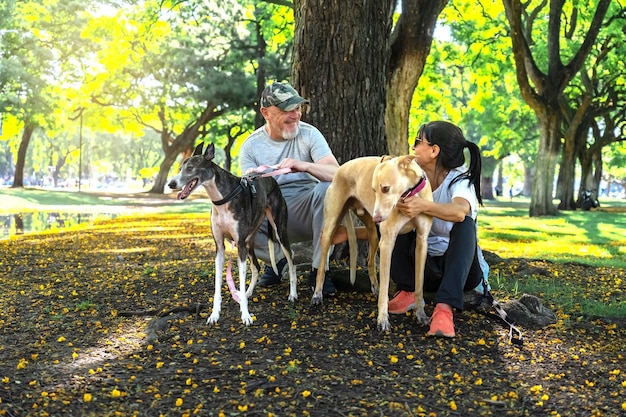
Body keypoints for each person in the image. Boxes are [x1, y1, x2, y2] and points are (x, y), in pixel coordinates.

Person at [387, 121, 489, 338]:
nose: (413, 148)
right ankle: (407, 291)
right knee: (400, 214)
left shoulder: (460, 179)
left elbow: (459, 211)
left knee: (465, 224)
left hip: (462, 273)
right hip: (425, 267)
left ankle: (444, 308)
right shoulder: (414, 179)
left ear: (434, 151)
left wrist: (423, 206)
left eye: (418, 141)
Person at [239, 82, 340, 294]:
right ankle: (278, 262)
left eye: (297, 108)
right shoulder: (250, 146)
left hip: (307, 210)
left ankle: (319, 270)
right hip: (269, 216)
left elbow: (338, 175)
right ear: (265, 113)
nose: (295, 115)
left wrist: (303, 165)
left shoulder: (310, 134)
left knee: (327, 189)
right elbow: (249, 196)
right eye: (286, 110)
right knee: (234, 215)